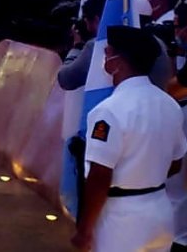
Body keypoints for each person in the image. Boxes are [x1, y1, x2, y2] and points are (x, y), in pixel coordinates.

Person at [71, 27, 187, 252]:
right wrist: (145, 173)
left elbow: (99, 177)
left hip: (120, 218)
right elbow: (175, 163)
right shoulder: (170, 105)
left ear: (119, 62)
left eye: (108, 53)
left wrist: (84, 230)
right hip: (160, 210)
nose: (105, 58)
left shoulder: (108, 111)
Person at [58, 0, 172, 91]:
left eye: (87, 21)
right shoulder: (158, 42)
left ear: (97, 20)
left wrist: (77, 46)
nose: (87, 29)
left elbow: (66, 79)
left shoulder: (97, 47)